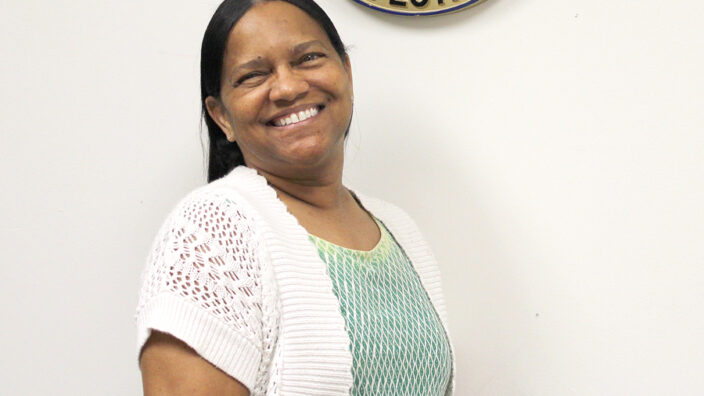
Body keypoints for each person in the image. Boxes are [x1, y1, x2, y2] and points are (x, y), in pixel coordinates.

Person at [135, 0, 455, 395]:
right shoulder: (210, 236)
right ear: (221, 116)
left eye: (308, 58)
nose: (287, 87)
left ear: (347, 73)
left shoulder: (399, 230)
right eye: (253, 75)